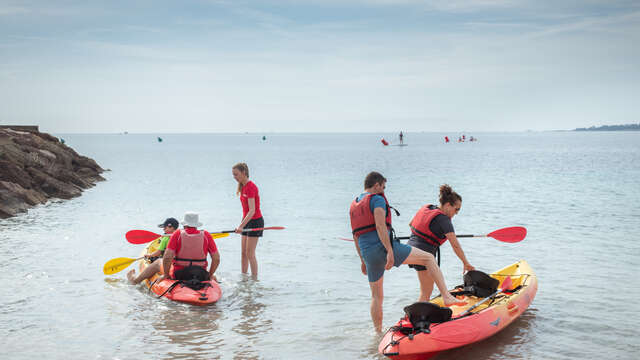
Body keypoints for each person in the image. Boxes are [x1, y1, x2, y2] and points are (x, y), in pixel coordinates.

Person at [349, 172, 463, 332]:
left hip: (367, 253)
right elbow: (380, 226)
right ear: (376, 185)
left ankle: (378, 334)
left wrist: (362, 260)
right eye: (383, 187)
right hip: (383, 248)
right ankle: (446, 296)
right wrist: (389, 250)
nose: (383, 190)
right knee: (429, 258)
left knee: (376, 297)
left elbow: (355, 235)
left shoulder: (354, 205)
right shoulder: (377, 199)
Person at [408, 184, 475, 301]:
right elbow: (455, 245)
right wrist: (465, 263)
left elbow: (411, 224)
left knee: (426, 290)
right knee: (426, 291)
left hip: (411, 250)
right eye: (456, 209)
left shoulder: (428, 208)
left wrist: (427, 235)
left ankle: (420, 314)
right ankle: (420, 316)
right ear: (448, 205)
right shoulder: (444, 220)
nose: (457, 213)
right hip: (424, 255)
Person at [158, 212, 220, 283]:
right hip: (201, 275)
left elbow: (167, 257)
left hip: (180, 274)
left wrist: (166, 275)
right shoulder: (206, 235)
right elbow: (216, 259)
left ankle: (141, 280)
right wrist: (210, 275)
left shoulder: (177, 234)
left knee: (157, 263)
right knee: (214, 276)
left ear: (184, 224)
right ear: (197, 224)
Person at [232, 162, 264, 279]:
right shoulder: (243, 186)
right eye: (233, 175)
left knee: (250, 253)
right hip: (246, 221)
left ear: (244, 173)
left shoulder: (251, 187)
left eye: (236, 174)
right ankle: (244, 279)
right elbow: (245, 211)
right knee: (243, 253)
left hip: (255, 221)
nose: (235, 178)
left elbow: (252, 210)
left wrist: (240, 226)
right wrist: (242, 225)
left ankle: (254, 280)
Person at [126, 217, 179, 284]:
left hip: (167, 263)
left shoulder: (165, 239)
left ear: (171, 227)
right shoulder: (180, 236)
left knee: (155, 260)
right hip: (176, 262)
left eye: (165, 227)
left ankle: (135, 280)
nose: (163, 229)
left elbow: (158, 252)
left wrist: (149, 255)